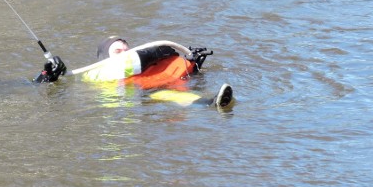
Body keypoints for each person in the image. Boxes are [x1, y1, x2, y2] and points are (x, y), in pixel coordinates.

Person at [42, 35, 233, 109]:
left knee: (169, 94)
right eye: (118, 51)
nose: (125, 54)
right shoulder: (98, 72)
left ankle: (210, 102)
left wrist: (194, 67)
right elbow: (133, 61)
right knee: (165, 95)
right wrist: (49, 77)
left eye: (127, 50)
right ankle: (209, 103)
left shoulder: (141, 70)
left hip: (143, 93)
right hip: (122, 101)